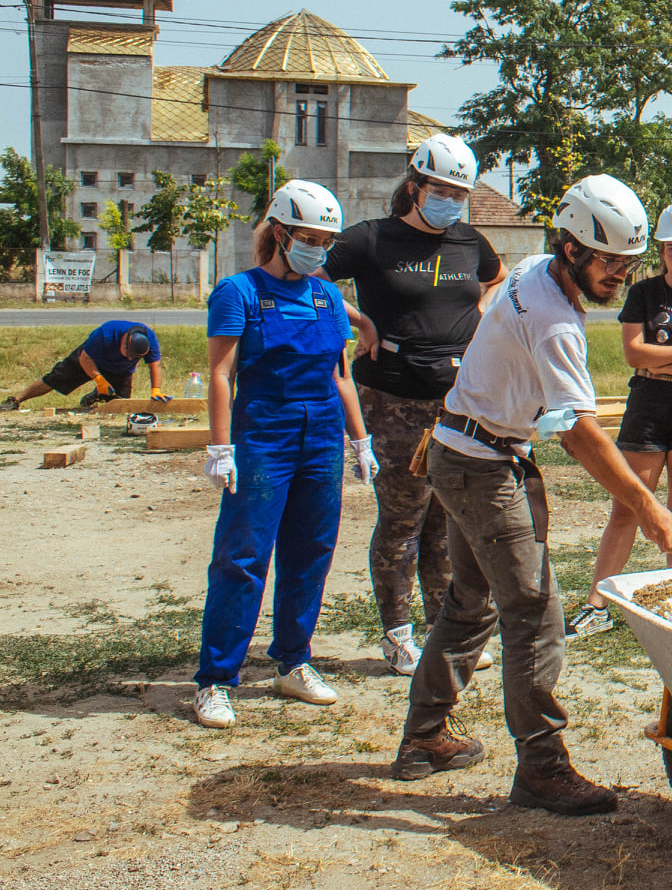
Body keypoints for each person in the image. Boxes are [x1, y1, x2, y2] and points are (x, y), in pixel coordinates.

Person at [391, 174, 672, 815]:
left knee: (470, 602)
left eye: (628, 265)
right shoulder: (554, 322)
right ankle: (542, 768)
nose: (619, 277)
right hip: (480, 466)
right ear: (572, 248)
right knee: (536, 611)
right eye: (609, 262)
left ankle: (423, 738)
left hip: (470, 449)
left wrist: (457, 405)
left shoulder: (532, 272)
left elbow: (490, 337)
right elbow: (579, 433)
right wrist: (645, 503)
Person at [192, 180, 374, 730]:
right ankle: (216, 680)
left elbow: (340, 373)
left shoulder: (323, 296)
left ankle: (293, 661)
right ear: (280, 232)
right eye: (310, 237)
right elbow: (221, 374)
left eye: (325, 239)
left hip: (321, 437)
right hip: (263, 436)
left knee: (311, 552)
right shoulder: (238, 292)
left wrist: (359, 440)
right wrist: (220, 446)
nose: (318, 248)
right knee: (243, 557)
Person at [325, 134, 508, 676]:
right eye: (442, 189)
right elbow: (306, 279)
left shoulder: (467, 241)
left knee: (447, 521)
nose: (451, 200)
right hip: (393, 397)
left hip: (455, 397)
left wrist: (477, 312)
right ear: (415, 185)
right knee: (403, 518)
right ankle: (397, 634)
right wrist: (359, 321)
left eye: (460, 192)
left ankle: (441, 629)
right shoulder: (370, 240)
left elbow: (495, 278)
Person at [567, 200, 672, 639]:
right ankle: (598, 604)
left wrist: (659, 363)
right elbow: (632, 353)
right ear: (661, 252)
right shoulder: (643, 293)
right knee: (627, 507)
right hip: (647, 408)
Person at [3, 319, 167, 411]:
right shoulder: (106, 333)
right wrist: (99, 379)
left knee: (120, 406)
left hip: (120, 371)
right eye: (129, 354)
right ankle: (16, 400)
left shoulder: (150, 341)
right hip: (90, 360)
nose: (131, 358)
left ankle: (96, 395)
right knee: (54, 379)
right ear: (125, 341)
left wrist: (156, 390)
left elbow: (155, 366)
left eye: (135, 357)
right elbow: (85, 359)